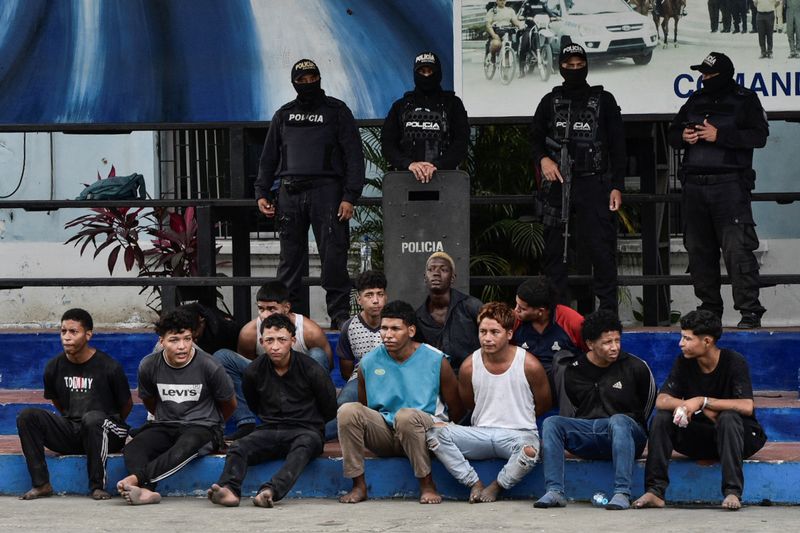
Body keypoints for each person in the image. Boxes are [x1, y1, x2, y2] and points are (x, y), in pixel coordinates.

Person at [254, 58, 365, 329]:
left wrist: (350, 196)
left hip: (328, 192)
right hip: (290, 192)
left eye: (311, 78)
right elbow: (269, 157)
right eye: (301, 80)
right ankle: (288, 317)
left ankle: (339, 315)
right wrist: (262, 192)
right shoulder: (284, 114)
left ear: (319, 77)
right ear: (294, 83)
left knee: (333, 257)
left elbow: (354, 156)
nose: (307, 83)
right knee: (289, 260)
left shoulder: (337, 111)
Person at [669, 52, 768, 329]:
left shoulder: (745, 99)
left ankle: (749, 312)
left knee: (737, 250)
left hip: (730, 186)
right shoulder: (695, 100)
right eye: (703, 74)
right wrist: (683, 137)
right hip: (695, 187)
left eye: (710, 75)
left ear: (723, 75)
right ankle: (710, 311)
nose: (704, 79)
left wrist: (720, 136)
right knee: (699, 252)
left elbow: (759, 136)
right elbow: (672, 133)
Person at [633, 310, 767, 511]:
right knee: (661, 418)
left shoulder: (733, 361)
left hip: (737, 439)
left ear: (707, 341)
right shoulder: (684, 362)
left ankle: (732, 492)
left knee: (729, 417)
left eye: (687, 338)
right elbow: (662, 400)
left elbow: (746, 406)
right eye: (682, 337)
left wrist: (701, 401)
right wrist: (689, 405)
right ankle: (655, 491)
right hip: (699, 437)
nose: (681, 343)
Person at [337, 300, 464, 504]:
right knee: (348, 410)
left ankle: (427, 484)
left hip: (425, 435)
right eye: (384, 328)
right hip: (386, 434)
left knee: (406, 416)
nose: (387, 334)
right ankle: (358, 485)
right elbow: (365, 405)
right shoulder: (368, 362)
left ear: (411, 330)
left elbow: (456, 407)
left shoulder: (435, 359)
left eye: (395, 328)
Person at [531, 43, 626, 313]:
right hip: (558, 185)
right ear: (559, 67)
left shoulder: (603, 100)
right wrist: (543, 160)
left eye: (578, 65)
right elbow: (535, 139)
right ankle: (558, 313)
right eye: (568, 65)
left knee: (601, 249)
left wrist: (617, 185)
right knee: (555, 251)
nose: (574, 70)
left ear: (586, 65)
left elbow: (618, 145)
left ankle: (607, 312)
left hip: (594, 183)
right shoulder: (550, 101)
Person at [207, 314, 337, 508]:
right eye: (269, 340)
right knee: (239, 447)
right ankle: (230, 489)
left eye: (282, 340)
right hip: (270, 429)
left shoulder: (312, 369)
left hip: (306, 430)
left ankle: (270, 491)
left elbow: (328, 407)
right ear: (261, 342)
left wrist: (312, 425)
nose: (275, 346)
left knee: (304, 446)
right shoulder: (254, 371)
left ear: (292, 341)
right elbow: (254, 404)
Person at [427, 302, 551, 503]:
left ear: (509, 334)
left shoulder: (529, 364)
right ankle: (473, 482)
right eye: (483, 331)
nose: (487, 338)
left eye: (495, 332)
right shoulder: (469, 366)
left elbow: (543, 403)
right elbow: (469, 404)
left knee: (530, 451)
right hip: (480, 434)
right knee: (435, 433)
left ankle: (496, 486)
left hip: (518, 434)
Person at [534, 310, 656, 511]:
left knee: (619, 420)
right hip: (589, 433)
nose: (614, 347)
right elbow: (574, 405)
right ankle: (554, 491)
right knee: (552, 423)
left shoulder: (635, 366)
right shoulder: (575, 369)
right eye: (607, 342)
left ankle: (622, 493)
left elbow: (648, 404)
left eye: (617, 340)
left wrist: (627, 426)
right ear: (590, 344)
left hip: (628, 433)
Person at [116, 308, 236, 505]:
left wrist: (213, 425)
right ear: (161, 341)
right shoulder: (149, 365)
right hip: (165, 424)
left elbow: (229, 404)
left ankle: (137, 481)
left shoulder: (209, 365)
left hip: (203, 427)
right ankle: (148, 492)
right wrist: (166, 418)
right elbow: (149, 400)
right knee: (134, 448)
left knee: (186, 445)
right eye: (174, 340)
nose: (182, 346)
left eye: (187, 339)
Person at [17, 308, 132, 501]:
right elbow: (58, 402)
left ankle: (97, 486)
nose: (66, 337)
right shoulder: (53, 367)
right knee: (27, 416)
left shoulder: (109, 366)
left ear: (88, 335)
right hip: (73, 431)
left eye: (73, 332)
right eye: (63, 332)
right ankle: (41, 484)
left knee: (93, 419)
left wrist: (101, 425)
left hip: (108, 431)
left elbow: (126, 404)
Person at [215, 280, 333, 440]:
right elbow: (250, 376)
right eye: (261, 309)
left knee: (318, 354)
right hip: (270, 384)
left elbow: (326, 369)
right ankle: (246, 422)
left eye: (271, 309)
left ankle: (312, 422)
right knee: (222, 357)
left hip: (303, 390)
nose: (265, 315)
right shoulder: (249, 332)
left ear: (286, 307)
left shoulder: (309, 331)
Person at [381, 52, 469, 183]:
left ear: (438, 72)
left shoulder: (453, 104)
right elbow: (387, 143)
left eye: (430, 71)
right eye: (422, 71)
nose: (427, 75)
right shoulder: (401, 106)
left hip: (446, 180)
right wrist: (409, 164)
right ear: (416, 74)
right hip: (406, 180)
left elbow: (461, 141)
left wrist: (438, 165)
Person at [512, 276, 586, 387]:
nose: (515, 310)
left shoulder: (573, 322)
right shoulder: (513, 321)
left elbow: (592, 353)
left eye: (522, 308)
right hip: (525, 381)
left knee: (563, 364)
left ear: (540, 311)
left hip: (562, 383)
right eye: (516, 304)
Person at [415, 251, 483, 371]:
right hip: (437, 381)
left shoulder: (471, 306)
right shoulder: (419, 317)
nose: (436, 273)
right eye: (431, 269)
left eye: (443, 269)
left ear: (452, 278)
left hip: (471, 377)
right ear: (425, 277)